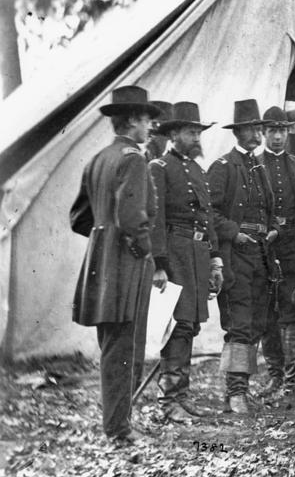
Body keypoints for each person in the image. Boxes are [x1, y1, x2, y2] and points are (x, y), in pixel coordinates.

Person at [70, 85, 167, 445]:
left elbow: (79, 217)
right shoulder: (133, 159)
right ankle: (119, 430)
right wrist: (142, 251)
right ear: (131, 122)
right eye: (146, 121)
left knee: (113, 343)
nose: (150, 128)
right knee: (124, 347)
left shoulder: (98, 159)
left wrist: (103, 238)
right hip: (127, 264)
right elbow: (132, 219)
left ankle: (117, 423)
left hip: (100, 262)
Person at [148, 102, 223, 422]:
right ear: (173, 134)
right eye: (191, 132)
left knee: (190, 325)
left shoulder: (197, 170)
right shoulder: (159, 168)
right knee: (177, 325)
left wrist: (215, 257)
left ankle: (181, 396)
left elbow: (207, 218)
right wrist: (159, 264)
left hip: (197, 253)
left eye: (198, 132)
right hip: (175, 252)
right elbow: (155, 219)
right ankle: (168, 401)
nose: (196, 138)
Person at [208, 99, 277, 414]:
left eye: (258, 128)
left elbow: (268, 210)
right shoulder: (223, 167)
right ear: (237, 133)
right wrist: (234, 232)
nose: (255, 134)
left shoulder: (259, 167)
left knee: (257, 322)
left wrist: (272, 229)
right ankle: (235, 393)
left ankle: (242, 388)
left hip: (260, 253)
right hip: (236, 254)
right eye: (249, 129)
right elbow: (208, 213)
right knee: (239, 322)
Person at [257, 106, 295, 406]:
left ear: (287, 133)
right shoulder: (252, 165)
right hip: (263, 246)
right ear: (264, 133)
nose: (277, 136)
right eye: (272, 131)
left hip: (293, 248)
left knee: (294, 311)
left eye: (282, 131)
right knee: (267, 313)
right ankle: (275, 376)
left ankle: (294, 382)